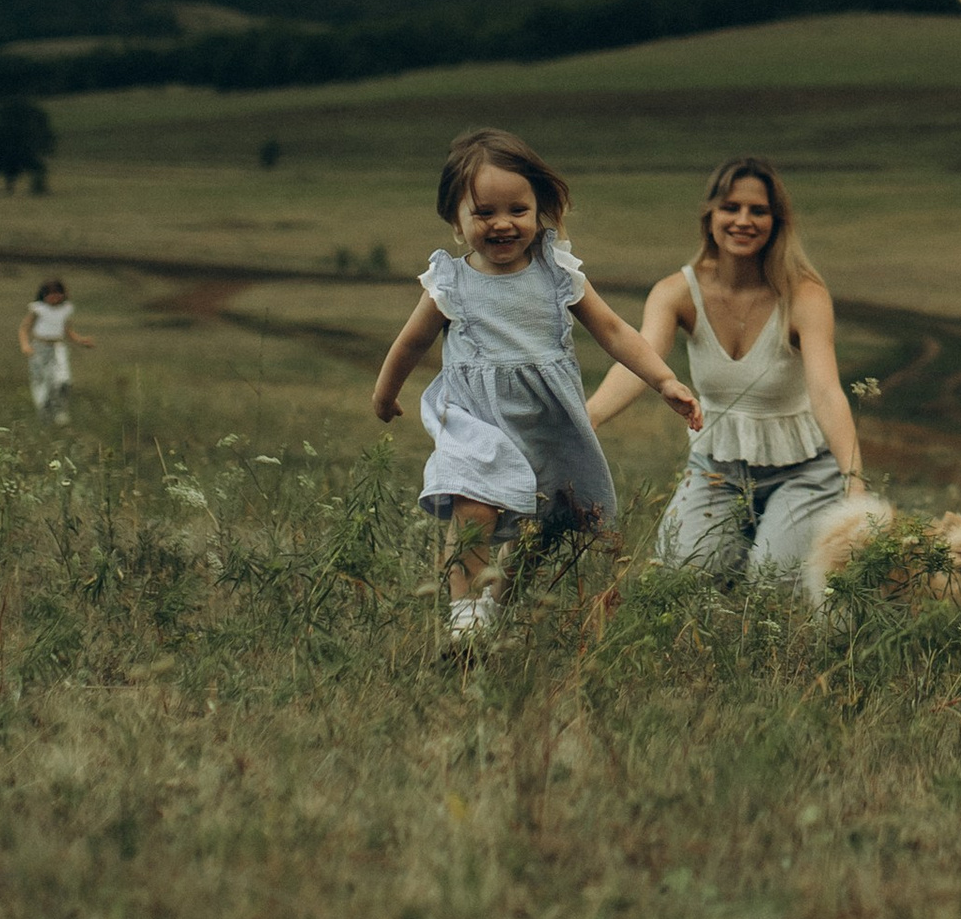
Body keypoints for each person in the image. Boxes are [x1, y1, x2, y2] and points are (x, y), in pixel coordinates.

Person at [370, 126, 701, 638]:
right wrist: (385, 393)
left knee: (544, 525)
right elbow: (411, 343)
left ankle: (497, 605)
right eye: (484, 213)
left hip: (546, 421)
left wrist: (664, 380)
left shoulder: (556, 272)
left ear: (538, 209)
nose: (503, 223)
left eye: (517, 210)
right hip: (476, 418)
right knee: (473, 502)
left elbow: (614, 331)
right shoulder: (449, 284)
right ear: (456, 221)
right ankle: (465, 614)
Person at [590, 152, 870, 583]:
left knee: (773, 579)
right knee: (679, 579)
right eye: (731, 207)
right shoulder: (676, 292)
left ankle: (770, 544)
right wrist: (587, 418)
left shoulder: (805, 295)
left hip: (805, 470)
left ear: (777, 221)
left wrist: (855, 482)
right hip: (716, 468)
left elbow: (826, 392)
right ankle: (742, 545)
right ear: (710, 216)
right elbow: (637, 364)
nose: (743, 221)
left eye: (758, 211)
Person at [19, 277, 92, 424]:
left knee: (62, 380)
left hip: (58, 347)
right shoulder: (38, 309)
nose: (54, 297)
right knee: (42, 382)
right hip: (39, 347)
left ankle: (61, 412)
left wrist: (80, 340)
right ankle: (45, 414)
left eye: (57, 293)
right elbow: (24, 328)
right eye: (50, 294)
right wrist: (25, 345)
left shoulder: (65, 310)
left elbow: (67, 330)